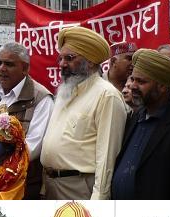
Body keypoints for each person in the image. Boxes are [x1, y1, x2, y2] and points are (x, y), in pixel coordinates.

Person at [40, 26, 126, 200]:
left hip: (79, 188)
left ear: (91, 61)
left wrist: (99, 199)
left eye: (70, 58)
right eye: (61, 58)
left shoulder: (106, 95)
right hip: (50, 184)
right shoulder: (65, 91)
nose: (62, 64)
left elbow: (107, 157)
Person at [0, 42, 53, 199]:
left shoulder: (41, 98)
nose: (2, 68)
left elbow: (32, 148)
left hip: (15, 186)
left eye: (9, 64)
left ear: (25, 68)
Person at [111, 49, 170, 199]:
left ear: (162, 86)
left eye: (141, 81)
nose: (133, 86)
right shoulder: (136, 115)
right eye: (133, 79)